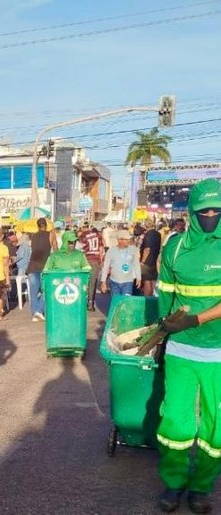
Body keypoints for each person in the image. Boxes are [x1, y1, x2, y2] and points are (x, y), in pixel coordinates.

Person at [154, 179, 221, 514]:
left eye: (216, 211)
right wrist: (159, 335)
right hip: (180, 349)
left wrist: (196, 320)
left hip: (218, 351)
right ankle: (174, 482)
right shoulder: (175, 248)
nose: (210, 216)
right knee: (175, 421)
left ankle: (201, 487)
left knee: (216, 426)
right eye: (203, 211)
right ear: (191, 212)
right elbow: (165, 297)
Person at [26, 218, 56, 322]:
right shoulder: (51, 234)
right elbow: (55, 249)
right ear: (46, 225)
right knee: (47, 289)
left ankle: (35, 313)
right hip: (45, 266)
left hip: (32, 266)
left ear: (37, 226)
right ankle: (39, 310)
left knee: (33, 292)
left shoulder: (33, 236)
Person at [100, 230, 141, 296]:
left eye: (129, 239)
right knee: (116, 301)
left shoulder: (133, 250)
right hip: (114, 282)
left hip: (128, 282)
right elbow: (105, 267)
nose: (129, 241)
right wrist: (103, 281)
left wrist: (139, 278)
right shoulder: (111, 251)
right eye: (126, 239)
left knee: (125, 301)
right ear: (119, 240)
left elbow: (136, 265)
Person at [78, 223, 105, 311]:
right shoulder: (98, 235)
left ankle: (83, 301)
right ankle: (91, 303)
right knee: (93, 282)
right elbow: (101, 249)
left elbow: (80, 249)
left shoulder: (83, 236)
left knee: (84, 281)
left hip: (86, 260)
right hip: (96, 261)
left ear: (83, 228)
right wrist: (101, 261)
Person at [140, 219, 162, 296]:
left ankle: (147, 297)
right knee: (153, 279)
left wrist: (142, 261)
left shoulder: (148, 234)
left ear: (145, 225)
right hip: (155, 260)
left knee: (146, 280)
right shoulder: (158, 234)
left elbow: (147, 249)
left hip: (147, 262)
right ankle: (154, 295)